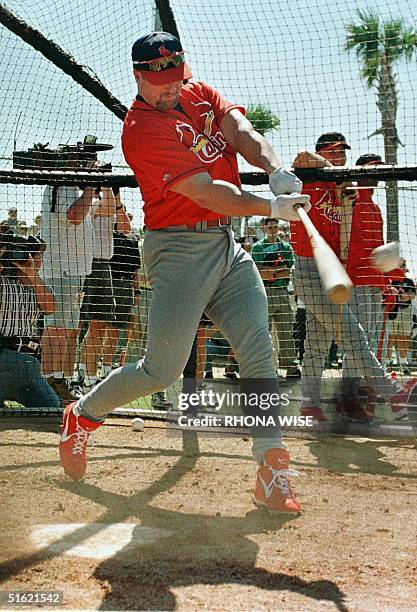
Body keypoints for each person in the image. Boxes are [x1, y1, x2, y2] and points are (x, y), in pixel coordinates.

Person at [58, 31, 311, 514]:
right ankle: (83, 414)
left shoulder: (196, 92)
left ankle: (271, 468)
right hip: (176, 247)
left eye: (176, 76)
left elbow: (240, 131)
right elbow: (205, 190)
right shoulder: (140, 130)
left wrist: (274, 165)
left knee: (259, 349)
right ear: (139, 76)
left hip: (225, 243)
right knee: (162, 369)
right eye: (160, 81)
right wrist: (270, 205)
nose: (171, 88)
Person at [292, 132, 417, 422]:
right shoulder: (310, 180)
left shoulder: (346, 192)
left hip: (333, 273)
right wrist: (334, 170)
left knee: (318, 343)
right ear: (322, 153)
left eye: (342, 154)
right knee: (353, 336)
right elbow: (301, 156)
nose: (339, 158)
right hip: (310, 268)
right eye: (333, 153)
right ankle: (395, 394)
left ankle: (310, 405)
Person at [40, 183, 97, 404]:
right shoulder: (62, 185)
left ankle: (57, 381)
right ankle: (48, 384)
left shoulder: (73, 187)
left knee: (66, 330)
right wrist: (91, 188)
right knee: (56, 330)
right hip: (60, 269)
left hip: (73, 270)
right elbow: (74, 215)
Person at [0, 234, 60, 409]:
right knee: (29, 365)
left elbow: (50, 308)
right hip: (5, 357)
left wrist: (32, 276)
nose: (36, 260)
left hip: (27, 365)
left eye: (39, 256)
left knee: (51, 405)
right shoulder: (4, 282)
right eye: (31, 255)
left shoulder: (40, 286)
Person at [251, 217, 300, 379]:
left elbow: (289, 269)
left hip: (282, 291)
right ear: (264, 228)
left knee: (286, 330)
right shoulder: (258, 247)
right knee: (265, 332)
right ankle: (268, 368)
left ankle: (290, 366)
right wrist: (276, 271)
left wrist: (271, 271)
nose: (273, 229)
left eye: (275, 226)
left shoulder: (285, 247)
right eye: (269, 226)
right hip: (264, 292)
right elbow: (258, 271)